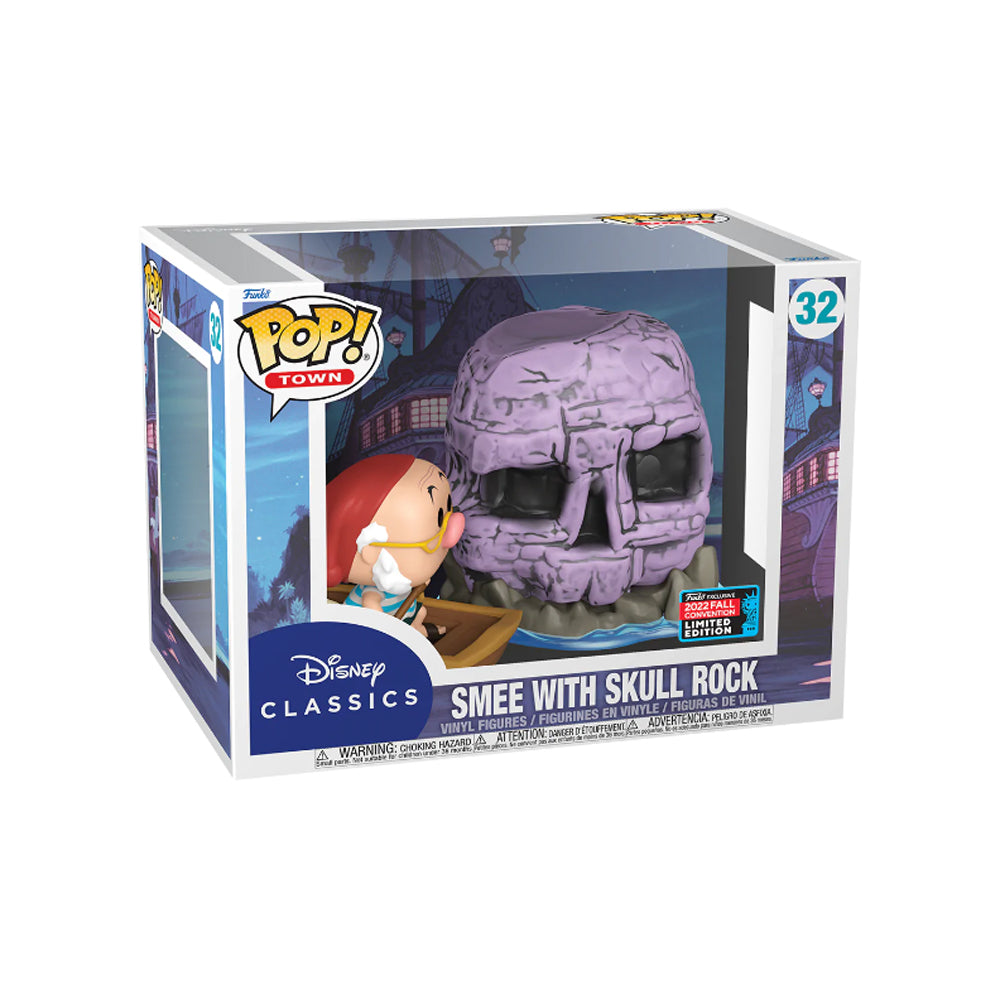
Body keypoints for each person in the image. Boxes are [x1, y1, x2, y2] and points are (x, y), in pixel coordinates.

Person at [326, 454, 465, 637]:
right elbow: (372, 607)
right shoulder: (372, 592)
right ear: (372, 552)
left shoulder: (397, 583)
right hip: (371, 631)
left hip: (401, 614)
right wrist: (388, 631)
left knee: (420, 612)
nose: (451, 533)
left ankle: (418, 631)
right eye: (439, 519)